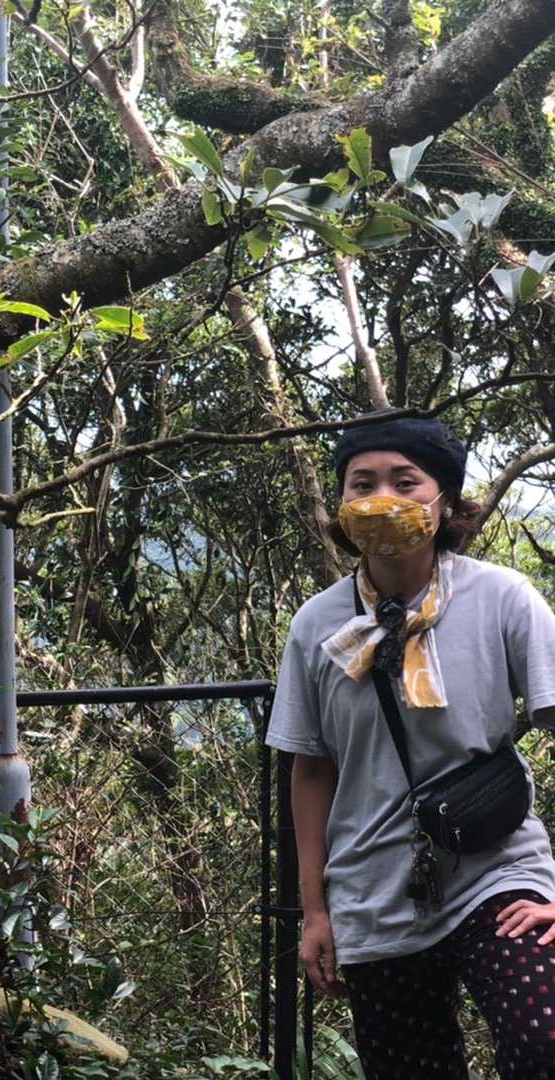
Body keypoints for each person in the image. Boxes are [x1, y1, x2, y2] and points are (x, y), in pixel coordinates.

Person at [266, 412, 555, 1078]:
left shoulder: (500, 597)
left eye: (405, 482)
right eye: (362, 483)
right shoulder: (316, 624)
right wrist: (315, 912)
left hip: (495, 868)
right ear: (341, 502)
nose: (382, 499)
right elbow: (312, 771)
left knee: (543, 1044)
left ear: (445, 499)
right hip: (373, 892)